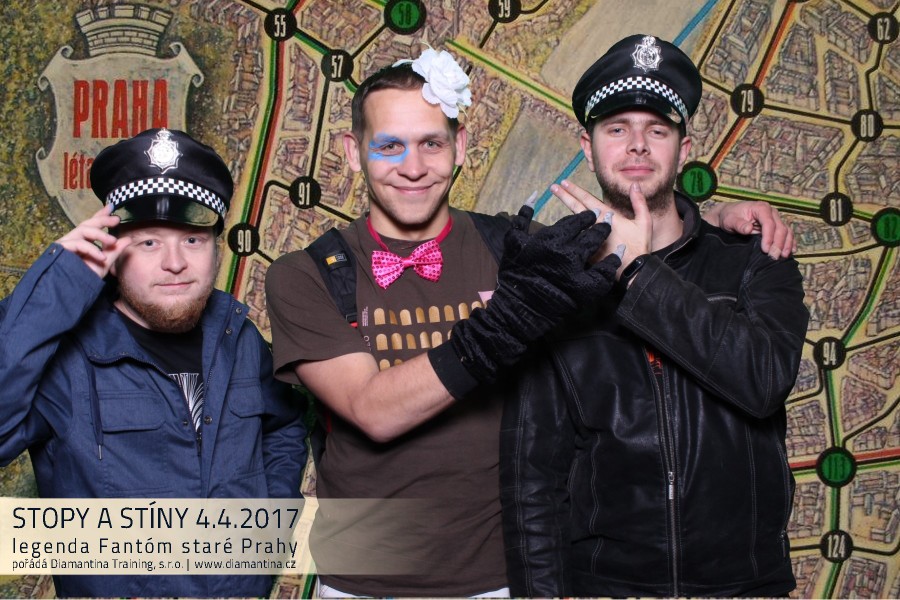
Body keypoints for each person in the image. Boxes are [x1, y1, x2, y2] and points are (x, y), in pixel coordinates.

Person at [265, 48, 795, 597]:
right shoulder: (306, 275)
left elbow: (634, 240)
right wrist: (498, 328)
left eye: (432, 143)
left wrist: (716, 223)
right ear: (353, 152)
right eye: (389, 145)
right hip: (364, 580)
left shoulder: (516, 248)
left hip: (500, 577)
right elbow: (373, 411)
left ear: (460, 147)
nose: (413, 167)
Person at [499, 34, 809, 598]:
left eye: (657, 130)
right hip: (606, 588)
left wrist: (637, 272)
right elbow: (532, 482)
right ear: (588, 147)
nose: (637, 145)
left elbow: (764, 379)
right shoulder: (551, 281)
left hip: (743, 586)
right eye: (617, 129)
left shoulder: (755, 259)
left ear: (683, 149)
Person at [0, 128, 307, 598]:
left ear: (216, 248)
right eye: (148, 243)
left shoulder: (238, 338)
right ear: (110, 249)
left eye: (193, 240)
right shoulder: (65, 356)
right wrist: (56, 286)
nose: (174, 263)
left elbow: (284, 425)